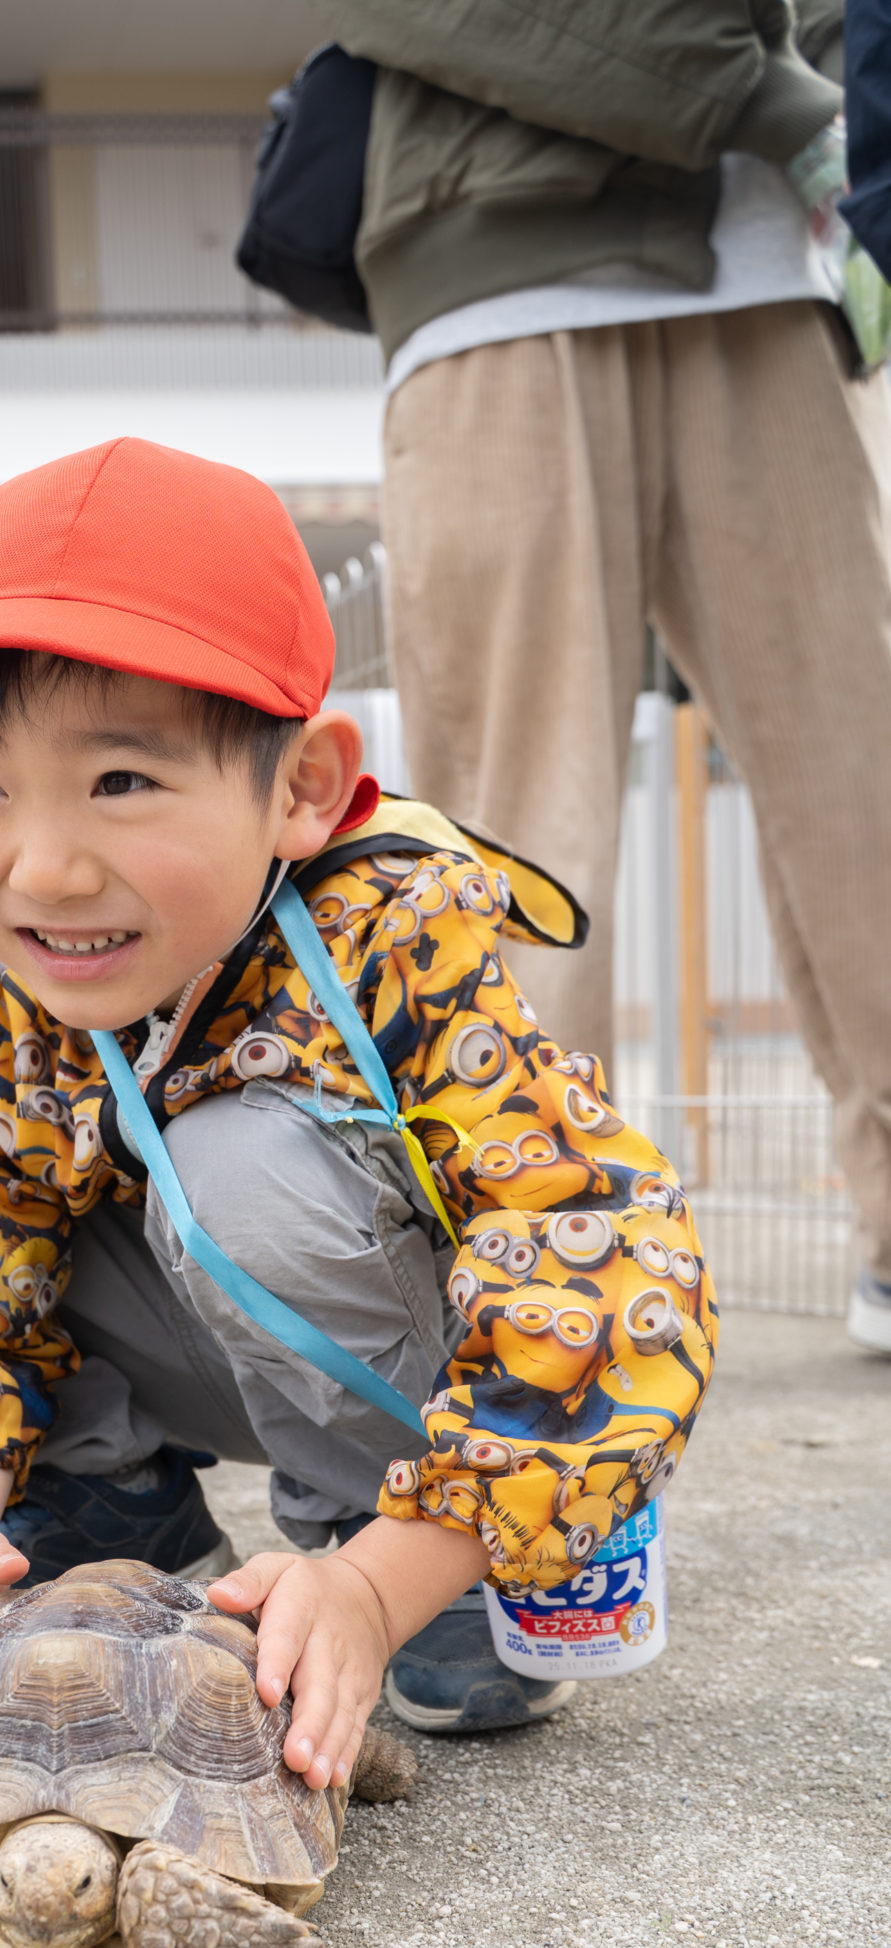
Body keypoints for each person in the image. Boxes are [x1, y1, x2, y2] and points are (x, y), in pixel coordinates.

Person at [0, 440, 717, 1774]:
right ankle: (94, 1507)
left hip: (392, 1388)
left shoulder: (390, 941)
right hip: (186, 1345)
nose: (46, 867)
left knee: (238, 1165)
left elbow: (616, 1269)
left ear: (303, 788)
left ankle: (397, 1557)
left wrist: (385, 1582)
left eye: (120, 782)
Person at [316, 0, 891, 1359]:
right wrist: (778, 102)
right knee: (522, 829)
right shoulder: (772, 107)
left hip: (764, 272)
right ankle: (532, 1266)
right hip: (495, 264)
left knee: (863, 786)